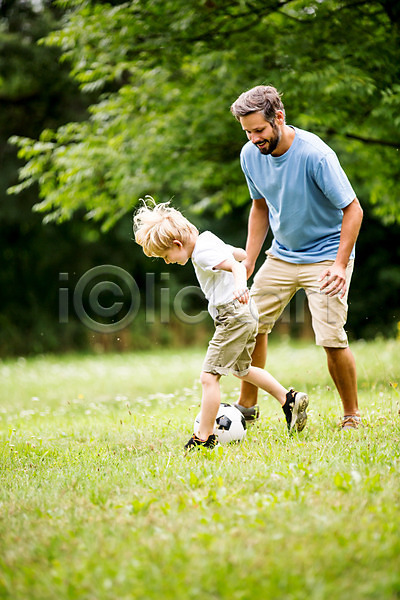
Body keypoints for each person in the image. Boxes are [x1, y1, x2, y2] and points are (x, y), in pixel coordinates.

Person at [230, 85, 363, 430]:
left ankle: (351, 415)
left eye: (259, 130)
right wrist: (250, 261)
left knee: (331, 338)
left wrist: (339, 264)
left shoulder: (314, 154)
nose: (254, 139)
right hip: (283, 255)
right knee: (250, 321)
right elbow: (259, 207)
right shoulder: (249, 155)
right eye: (247, 132)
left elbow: (353, 210)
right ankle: (247, 406)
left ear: (278, 117)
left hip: (326, 256)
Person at [133, 198, 309, 450]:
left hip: (233, 316)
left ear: (177, 244)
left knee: (208, 377)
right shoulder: (206, 240)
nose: (167, 261)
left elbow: (237, 267)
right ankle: (288, 399)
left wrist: (239, 284)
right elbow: (239, 254)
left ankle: (204, 438)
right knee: (243, 369)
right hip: (246, 314)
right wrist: (235, 256)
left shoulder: (203, 254)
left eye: (165, 255)